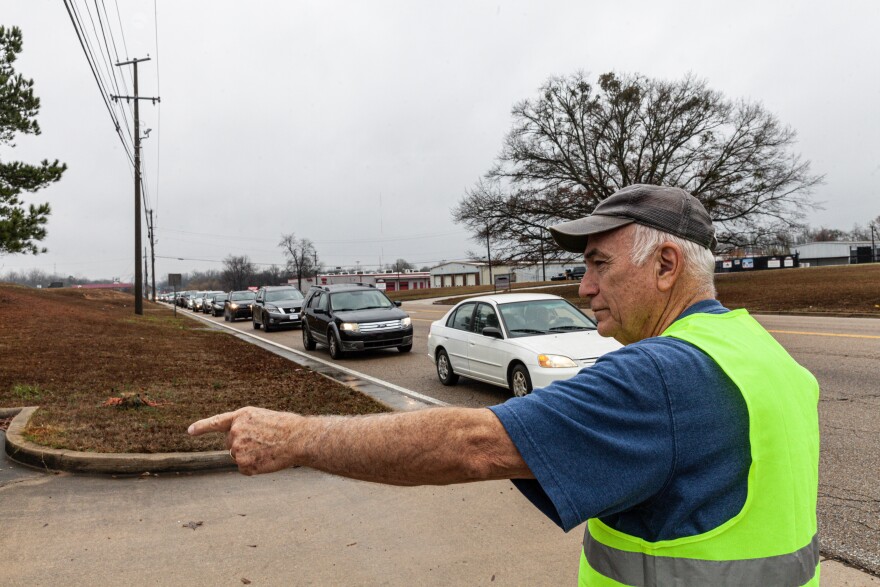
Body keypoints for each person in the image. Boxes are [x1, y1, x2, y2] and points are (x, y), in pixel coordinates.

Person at [189, 184, 820, 586]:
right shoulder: (767, 359)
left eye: (600, 264)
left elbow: (473, 443)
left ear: (665, 266)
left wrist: (297, 437)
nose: (585, 287)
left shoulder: (660, 376)